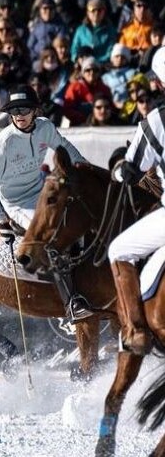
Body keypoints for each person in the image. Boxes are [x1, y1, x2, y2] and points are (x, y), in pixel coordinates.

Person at [0, 85, 90, 322]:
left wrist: (83, 166)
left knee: (79, 217)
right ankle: (72, 303)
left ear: (35, 110)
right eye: (14, 110)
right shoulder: (4, 142)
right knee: (53, 235)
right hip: (16, 202)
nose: (19, 114)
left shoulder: (46, 128)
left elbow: (66, 149)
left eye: (25, 108)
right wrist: (1, 219)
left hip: (40, 191)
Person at [106, 46, 165, 356]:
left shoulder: (158, 119)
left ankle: (136, 331)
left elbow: (130, 170)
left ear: (158, 83)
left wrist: (116, 173)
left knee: (118, 250)